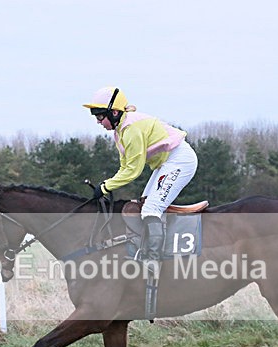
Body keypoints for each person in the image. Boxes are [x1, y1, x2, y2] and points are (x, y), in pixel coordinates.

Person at [83, 86, 198, 261]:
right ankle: (145, 250)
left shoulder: (130, 129)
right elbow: (125, 167)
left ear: (114, 113)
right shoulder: (120, 131)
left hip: (180, 160)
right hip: (166, 163)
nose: (98, 121)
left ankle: (153, 260)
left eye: (100, 116)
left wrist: (105, 187)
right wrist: (106, 184)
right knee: (144, 206)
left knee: (151, 209)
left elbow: (133, 171)